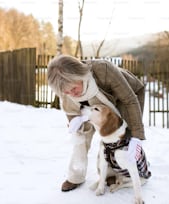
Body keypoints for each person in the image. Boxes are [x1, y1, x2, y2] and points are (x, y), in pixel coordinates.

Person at [47, 55, 146, 192]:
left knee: (116, 135)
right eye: (66, 92)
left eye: (74, 89)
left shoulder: (103, 70)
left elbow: (130, 100)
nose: (71, 94)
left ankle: (114, 173)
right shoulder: (64, 86)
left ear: (80, 76)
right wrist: (74, 123)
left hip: (125, 98)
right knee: (81, 136)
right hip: (92, 105)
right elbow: (71, 111)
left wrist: (137, 136)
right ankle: (76, 175)